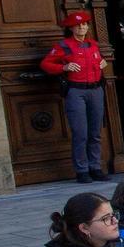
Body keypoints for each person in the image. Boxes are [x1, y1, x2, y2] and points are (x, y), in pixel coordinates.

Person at [41, 10, 110, 182]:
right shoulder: (64, 46)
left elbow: (98, 60)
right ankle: (82, 170)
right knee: (80, 133)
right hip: (76, 91)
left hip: (96, 90)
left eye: (84, 24)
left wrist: (102, 62)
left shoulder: (92, 44)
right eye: (78, 25)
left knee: (95, 132)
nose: (82, 27)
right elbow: (46, 64)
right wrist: (63, 68)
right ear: (71, 28)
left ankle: (95, 167)